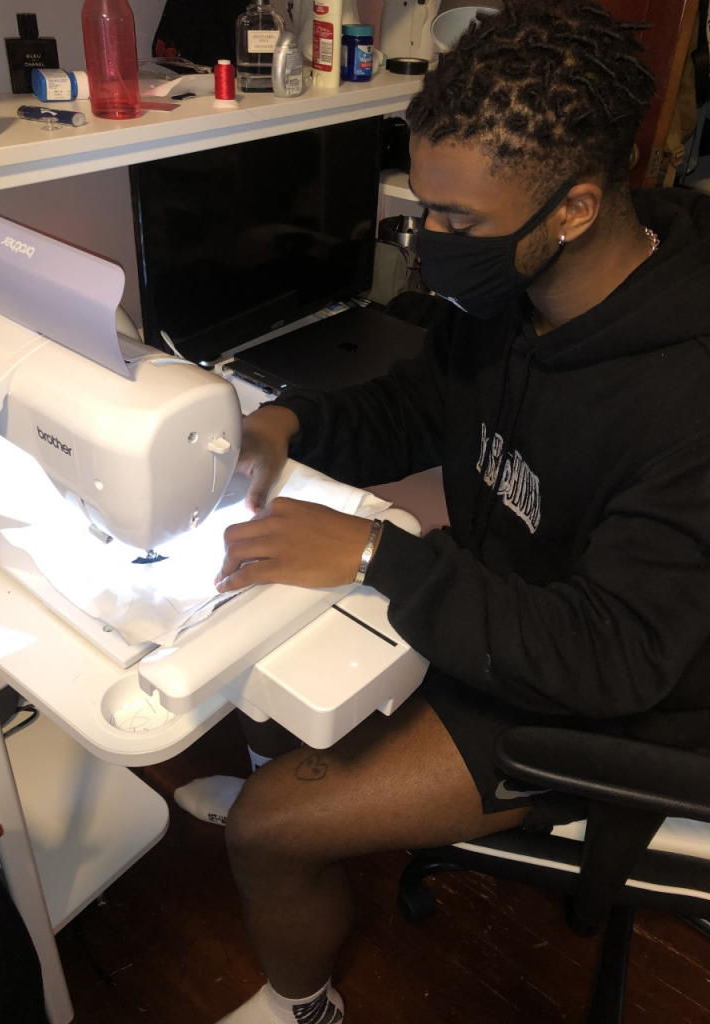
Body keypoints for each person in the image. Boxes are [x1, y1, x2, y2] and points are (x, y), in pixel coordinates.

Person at [206, 2, 710, 1021]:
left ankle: (303, 1004)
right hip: (499, 598)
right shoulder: (514, 294)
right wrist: (288, 424)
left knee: (264, 828)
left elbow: (613, 655)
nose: (429, 242)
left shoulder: (685, 401)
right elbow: (423, 404)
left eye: (456, 223)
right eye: (424, 208)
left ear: (571, 207)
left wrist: (379, 556)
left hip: (606, 697)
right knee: (253, 624)